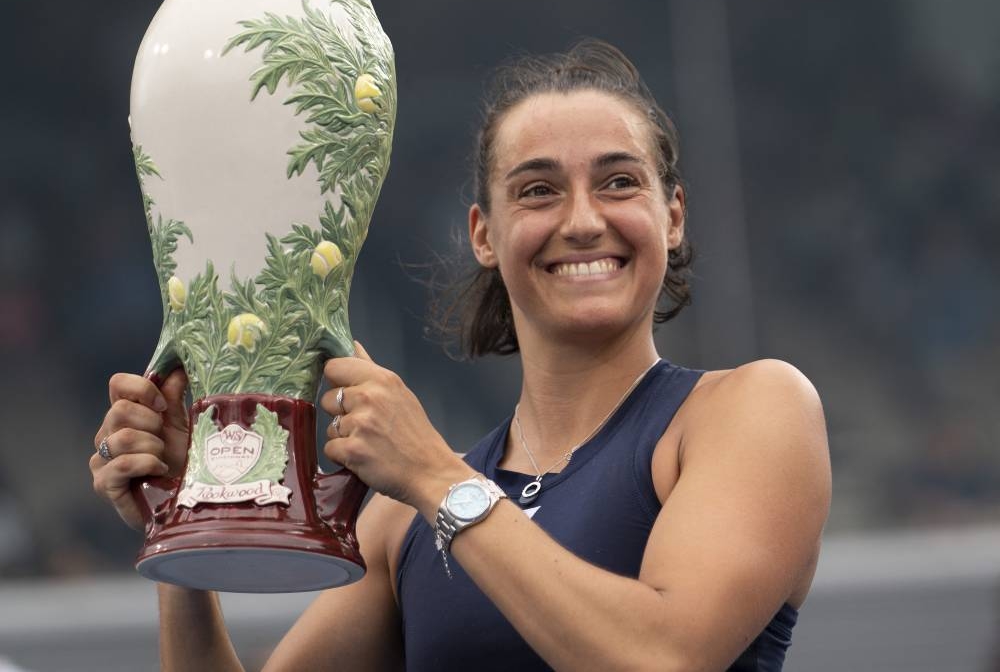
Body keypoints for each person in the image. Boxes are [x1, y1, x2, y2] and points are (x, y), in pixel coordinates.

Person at [90, 39, 831, 671]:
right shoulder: (401, 522)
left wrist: (437, 477)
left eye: (618, 182)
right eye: (538, 190)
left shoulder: (754, 409)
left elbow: (664, 658)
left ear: (671, 217)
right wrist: (179, 520)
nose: (582, 220)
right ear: (484, 234)